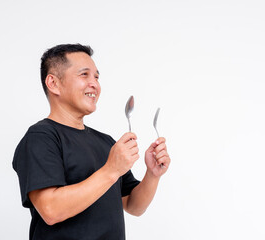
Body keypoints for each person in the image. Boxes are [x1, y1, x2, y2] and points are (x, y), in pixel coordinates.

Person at [12, 44, 171, 240]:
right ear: (53, 83)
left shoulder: (106, 142)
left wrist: (153, 174)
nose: (94, 84)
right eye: (84, 75)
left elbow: (133, 205)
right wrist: (111, 170)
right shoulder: (41, 137)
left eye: (96, 76)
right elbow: (50, 209)